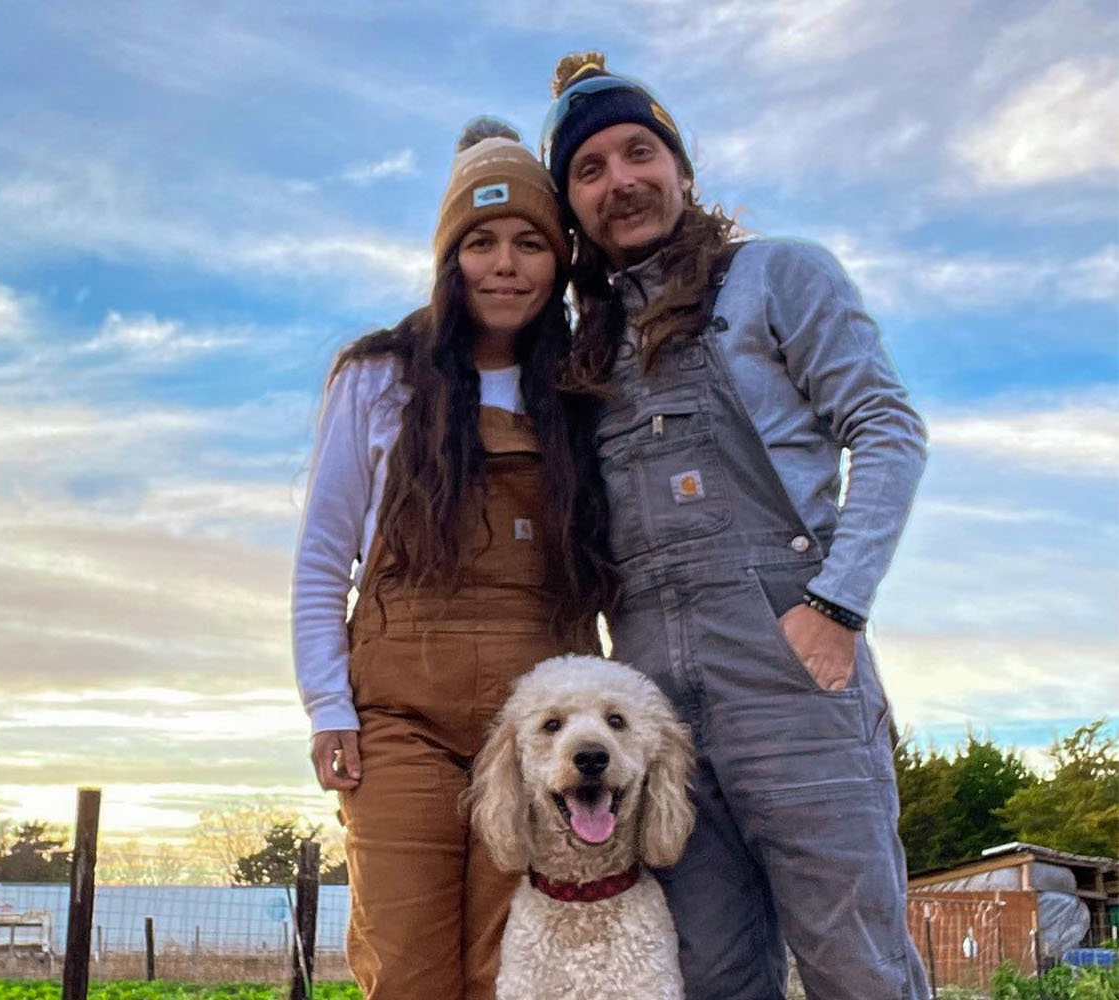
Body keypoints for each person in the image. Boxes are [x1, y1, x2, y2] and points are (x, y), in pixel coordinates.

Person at [539, 52, 932, 1000]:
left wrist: (835, 606)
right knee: (711, 975)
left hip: (790, 676)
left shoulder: (777, 277)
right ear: (572, 209)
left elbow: (886, 427)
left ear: (681, 168)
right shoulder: (581, 351)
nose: (620, 182)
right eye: (588, 171)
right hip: (656, 711)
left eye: (640, 153)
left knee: (856, 965)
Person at [291, 117, 613, 1000]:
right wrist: (329, 706)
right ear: (448, 257)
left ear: (560, 264)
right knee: (409, 967)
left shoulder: (585, 395)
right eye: (480, 242)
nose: (505, 264)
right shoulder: (378, 380)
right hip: (399, 725)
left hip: (535, 734)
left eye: (528, 244)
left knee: (513, 971)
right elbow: (324, 559)